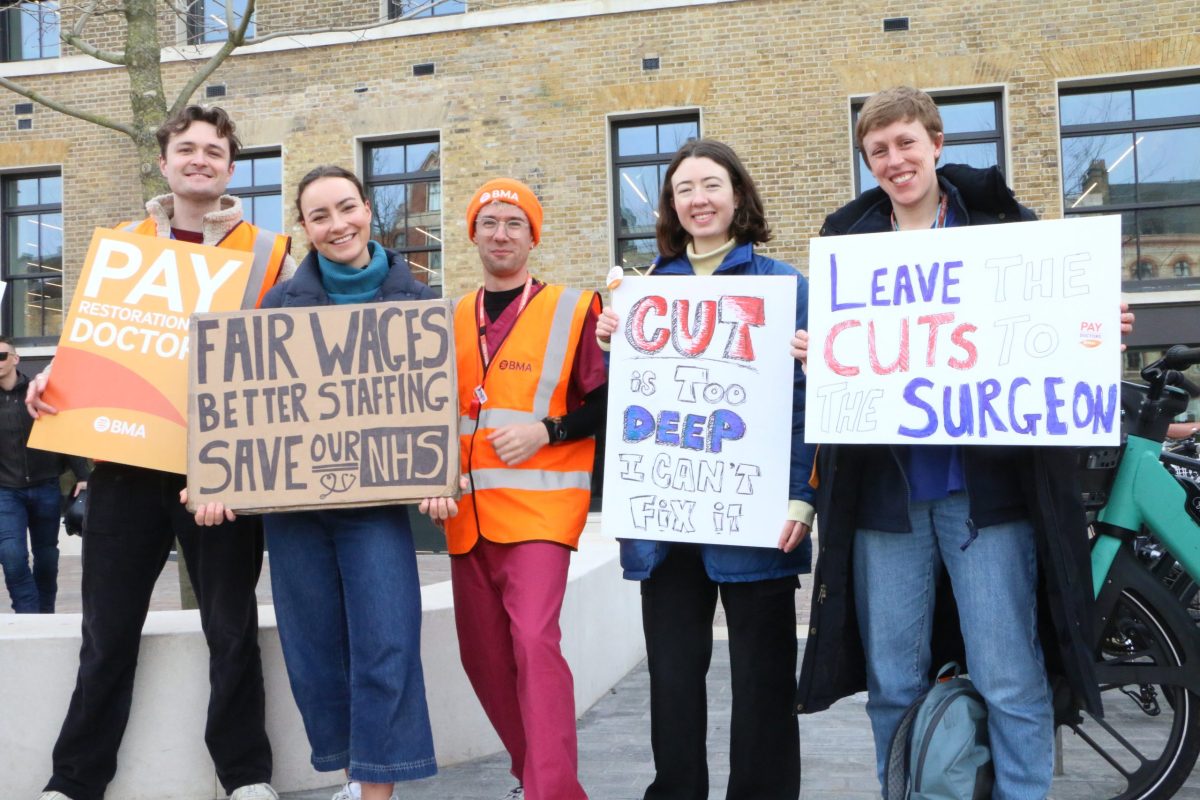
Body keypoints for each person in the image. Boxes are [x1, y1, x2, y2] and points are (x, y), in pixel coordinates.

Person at [792, 86, 1133, 800]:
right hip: (888, 501)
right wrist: (818, 354)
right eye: (878, 150)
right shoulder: (849, 245)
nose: (895, 160)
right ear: (868, 161)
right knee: (892, 681)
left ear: (937, 144)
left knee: (1010, 674)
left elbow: (1062, 318)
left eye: (906, 143)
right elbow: (843, 361)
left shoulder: (1003, 224)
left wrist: (1095, 323)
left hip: (986, 498)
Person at [28, 104, 293, 800]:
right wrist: (53, 379)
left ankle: (246, 777)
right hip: (125, 467)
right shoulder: (122, 244)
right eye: (188, 148)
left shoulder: (270, 252)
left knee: (231, 629)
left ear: (232, 167)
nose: (200, 159)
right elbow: (89, 348)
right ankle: (74, 780)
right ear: (165, 160)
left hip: (224, 472)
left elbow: (291, 356)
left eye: (214, 150)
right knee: (107, 630)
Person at [195, 164, 440, 800]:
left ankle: (375, 789)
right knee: (313, 650)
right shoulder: (275, 305)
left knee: (388, 640)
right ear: (304, 228)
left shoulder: (419, 300)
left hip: (377, 507)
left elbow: (440, 410)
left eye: (346, 208)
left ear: (368, 210)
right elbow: (244, 405)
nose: (338, 225)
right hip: (294, 509)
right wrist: (217, 476)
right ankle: (352, 772)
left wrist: (442, 473)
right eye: (320, 216)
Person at [594, 139, 816, 800]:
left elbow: (808, 403)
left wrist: (803, 497)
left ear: (739, 195)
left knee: (764, 682)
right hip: (667, 524)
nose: (698, 199)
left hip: (755, 513)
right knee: (672, 679)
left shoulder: (784, 287)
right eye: (684, 188)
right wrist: (612, 350)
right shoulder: (642, 294)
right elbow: (634, 411)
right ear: (671, 205)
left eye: (711, 184)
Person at [420, 177, 607, 800]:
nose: (501, 233)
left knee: (532, 640)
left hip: (542, 510)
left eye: (514, 223)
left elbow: (611, 402)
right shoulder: (444, 318)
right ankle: (534, 777)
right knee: (484, 659)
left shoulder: (577, 309)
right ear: (472, 233)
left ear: (533, 235)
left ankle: (553, 792)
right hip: (465, 514)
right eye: (490, 221)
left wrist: (549, 430)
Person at [0, 335, 89, 613]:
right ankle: (28, 614)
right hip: (5, 492)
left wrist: (83, 476)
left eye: (2, 355)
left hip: (45, 487)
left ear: (15, 359)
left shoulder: (39, 392)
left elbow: (65, 434)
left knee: (47, 558)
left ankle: (45, 612)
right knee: (12, 556)